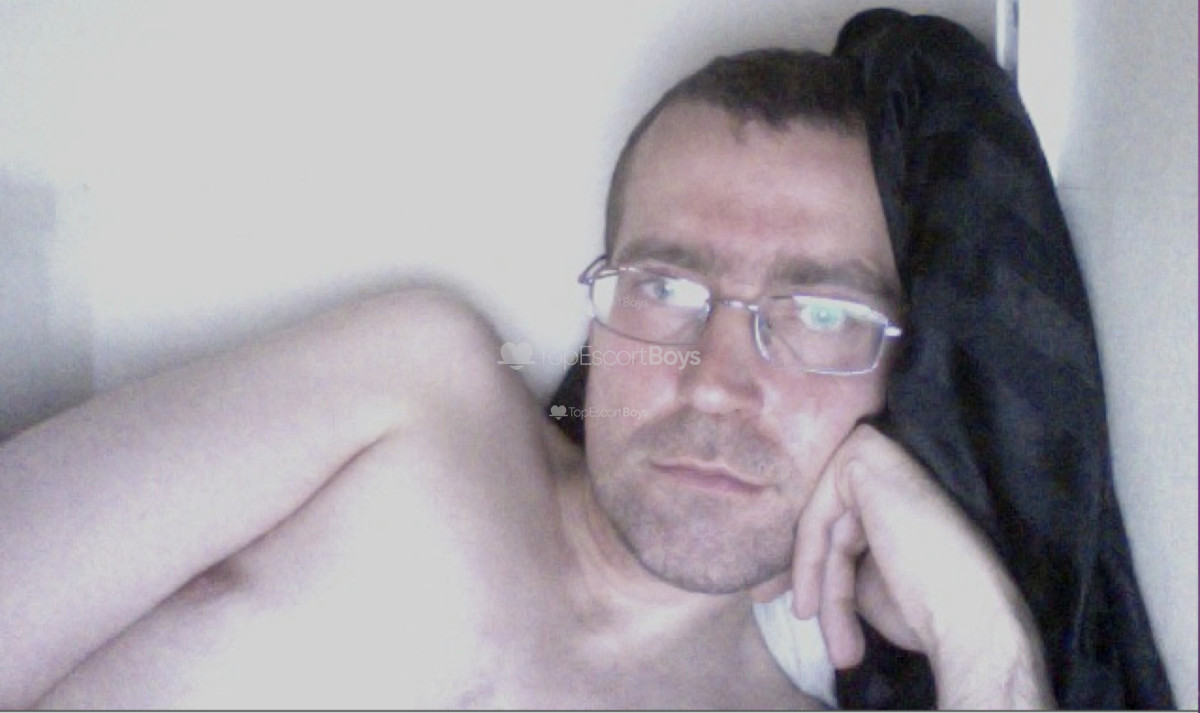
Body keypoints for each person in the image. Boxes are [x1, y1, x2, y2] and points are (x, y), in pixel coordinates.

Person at [0, 50, 1055, 709]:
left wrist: (984, 627)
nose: (717, 383)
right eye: (666, 287)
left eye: (824, 315)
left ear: (903, 375)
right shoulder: (422, 394)